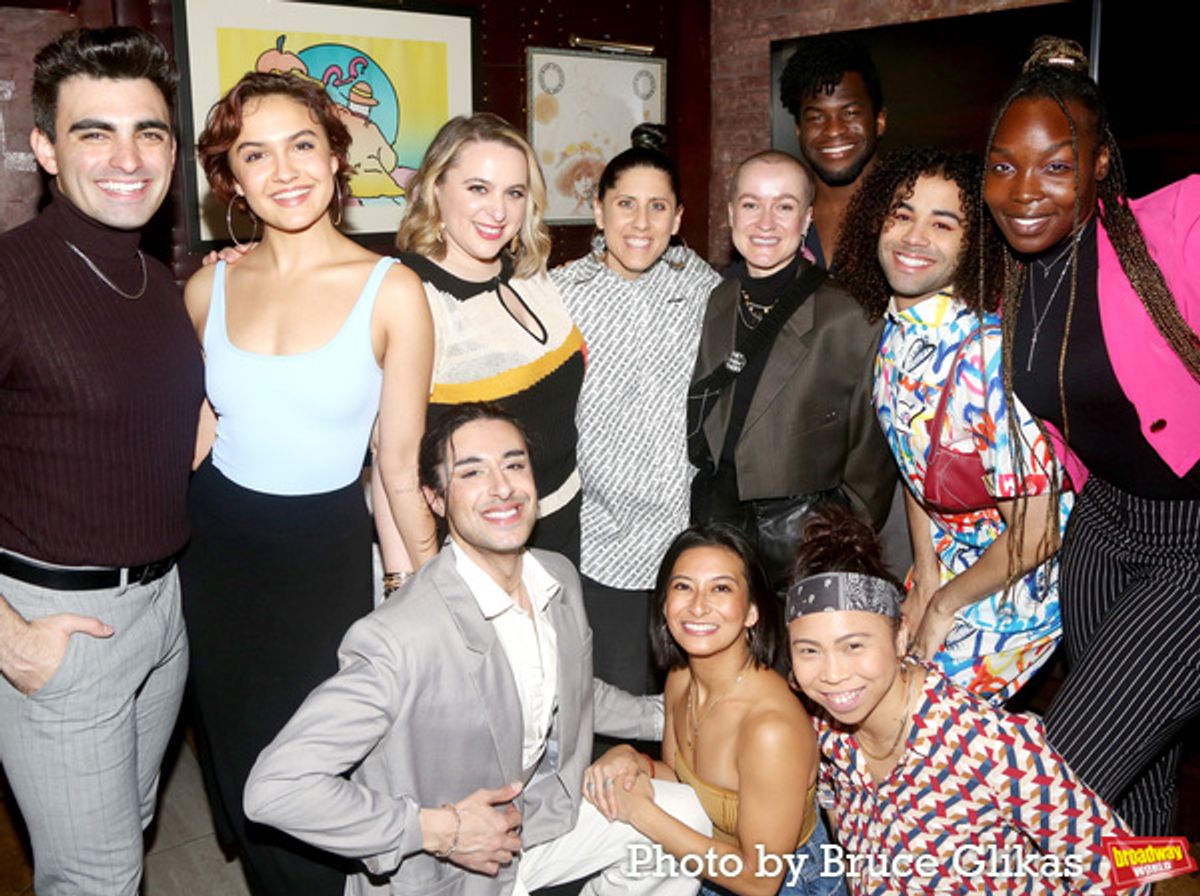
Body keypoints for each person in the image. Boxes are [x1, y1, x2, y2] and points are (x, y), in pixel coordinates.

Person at [243, 402, 711, 896]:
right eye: (472, 472)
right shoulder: (399, 639)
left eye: (514, 464)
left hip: (535, 824)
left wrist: (670, 716)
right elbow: (276, 789)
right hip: (444, 872)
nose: (503, 487)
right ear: (436, 498)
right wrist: (441, 831)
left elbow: (562, 684)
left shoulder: (557, 578)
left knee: (682, 819)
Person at [180, 71, 434, 894]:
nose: (284, 170)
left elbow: (397, 468)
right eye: (256, 153)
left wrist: (431, 594)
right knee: (242, 761)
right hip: (213, 557)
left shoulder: (391, 291)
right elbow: (196, 436)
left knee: (318, 777)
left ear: (335, 156)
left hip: (322, 560)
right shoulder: (206, 285)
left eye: (302, 144)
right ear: (232, 179)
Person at [0, 26, 203, 896]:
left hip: (162, 614)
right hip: (57, 626)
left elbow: (159, 426)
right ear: (46, 147)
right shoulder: (9, 278)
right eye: (94, 132)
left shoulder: (159, 281)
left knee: (135, 826)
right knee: (97, 879)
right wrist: (9, 641)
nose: (127, 158)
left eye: (148, 132)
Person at [982, 37, 1200, 834]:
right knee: (1137, 790)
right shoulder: (1020, 285)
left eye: (1055, 165)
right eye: (1003, 166)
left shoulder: (1178, 225)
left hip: (1191, 554)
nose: (1023, 191)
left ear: (1101, 163)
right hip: (1103, 537)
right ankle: (1149, 881)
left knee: (1045, 795)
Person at [786, 506, 1146, 896]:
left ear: (900, 636)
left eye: (854, 645)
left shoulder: (984, 743)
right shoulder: (825, 725)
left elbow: (1119, 867)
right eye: (809, 651)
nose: (833, 673)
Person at [836, 147, 1070, 703]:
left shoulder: (988, 356)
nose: (914, 236)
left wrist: (945, 603)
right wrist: (925, 576)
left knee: (911, 732)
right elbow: (916, 473)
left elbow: (1038, 532)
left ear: (973, 243)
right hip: (948, 571)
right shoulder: (896, 336)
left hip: (1015, 587)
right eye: (902, 214)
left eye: (943, 223)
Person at [585, 524, 844, 896]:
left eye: (720, 588)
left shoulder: (770, 728)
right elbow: (683, 785)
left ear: (753, 610)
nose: (698, 605)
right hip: (706, 867)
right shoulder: (681, 679)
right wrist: (633, 759)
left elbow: (761, 880)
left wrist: (640, 812)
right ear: (664, 603)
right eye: (683, 587)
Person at [552, 124, 720, 696]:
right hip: (602, 543)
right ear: (598, 212)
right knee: (613, 707)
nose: (641, 223)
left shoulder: (704, 288)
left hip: (690, 538)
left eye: (657, 207)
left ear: (677, 219)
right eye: (625, 204)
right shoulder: (559, 295)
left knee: (689, 705)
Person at [688, 150, 894, 588]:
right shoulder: (720, 300)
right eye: (751, 205)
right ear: (730, 214)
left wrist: (833, 546)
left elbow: (871, 467)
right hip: (720, 533)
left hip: (803, 549)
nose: (765, 223)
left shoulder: (851, 318)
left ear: (806, 220)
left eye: (783, 206)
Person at [395, 113, 585, 566]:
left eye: (514, 193)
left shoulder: (530, 275)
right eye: (478, 188)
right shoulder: (412, 298)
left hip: (562, 531)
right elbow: (397, 464)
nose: (498, 211)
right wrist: (433, 578)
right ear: (435, 189)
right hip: (478, 550)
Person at [779, 33, 886, 270]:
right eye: (816, 117)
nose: (834, 130)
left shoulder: (911, 214)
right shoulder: (781, 221)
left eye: (850, 113)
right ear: (799, 131)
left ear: (879, 121)